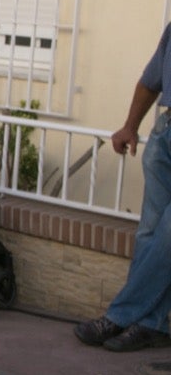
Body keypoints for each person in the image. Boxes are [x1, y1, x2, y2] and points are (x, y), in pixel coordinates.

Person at [73, 22, 171, 352]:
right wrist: (131, 126)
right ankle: (149, 325)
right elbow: (149, 81)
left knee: (168, 235)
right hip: (166, 133)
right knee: (149, 232)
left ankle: (120, 315)